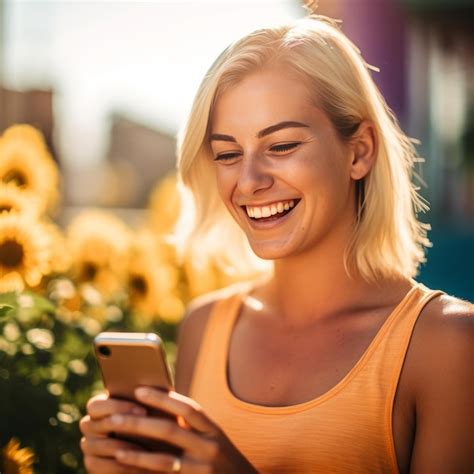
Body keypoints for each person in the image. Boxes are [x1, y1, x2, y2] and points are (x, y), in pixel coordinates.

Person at [79, 13, 473, 474]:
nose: (248, 181)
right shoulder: (206, 326)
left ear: (359, 151)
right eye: (227, 154)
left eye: (282, 146)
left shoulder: (449, 344)